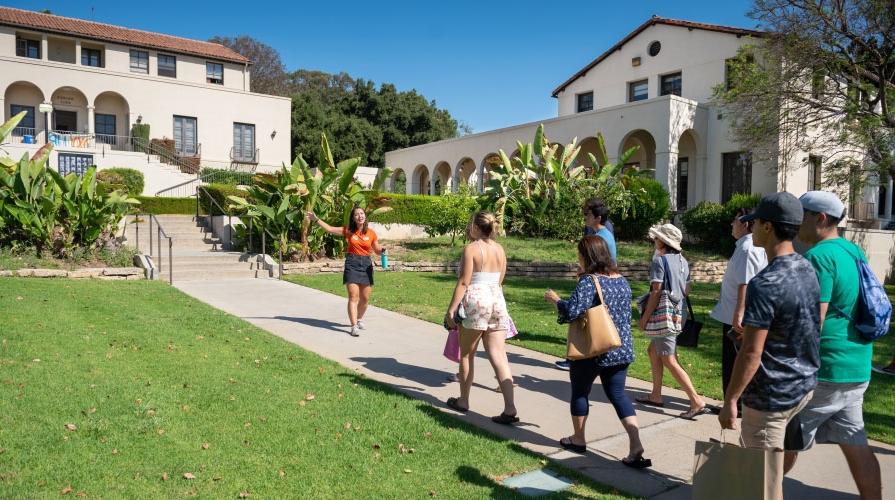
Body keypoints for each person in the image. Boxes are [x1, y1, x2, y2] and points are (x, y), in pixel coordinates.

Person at [783, 191, 881, 500]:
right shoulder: (853, 251)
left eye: (803, 214)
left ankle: (756, 491)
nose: (798, 222)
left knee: (781, 438)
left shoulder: (819, 256)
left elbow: (815, 319)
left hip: (826, 369)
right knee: (855, 441)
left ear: (821, 219)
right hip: (856, 365)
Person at [719, 192, 820, 456]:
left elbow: (752, 353)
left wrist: (730, 400)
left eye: (755, 222)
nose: (750, 227)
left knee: (760, 484)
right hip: (802, 387)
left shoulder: (765, 283)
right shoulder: (807, 268)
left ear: (768, 226)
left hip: (770, 398)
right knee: (774, 473)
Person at [544, 236, 651, 468]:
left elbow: (572, 311)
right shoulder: (622, 280)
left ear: (587, 256)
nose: (577, 258)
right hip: (620, 349)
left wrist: (556, 300)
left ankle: (578, 438)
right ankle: (635, 444)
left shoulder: (589, 282)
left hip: (594, 350)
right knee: (619, 395)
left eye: (579, 254)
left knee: (580, 392)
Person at [444, 211, 518, 424]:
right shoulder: (500, 249)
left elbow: (464, 282)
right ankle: (510, 407)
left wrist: (452, 309)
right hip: (497, 299)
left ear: (476, 228)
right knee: (499, 355)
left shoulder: (471, 249)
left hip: (477, 300)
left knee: (467, 354)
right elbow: (501, 278)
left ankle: (464, 400)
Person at [636, 224, 708, 419]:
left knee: (668, 358)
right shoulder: (684, 261)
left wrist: (644, 318)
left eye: (657, 238)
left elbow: (656, 291)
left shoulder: (660, 261)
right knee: (653, 351)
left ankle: (696, 400)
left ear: (663, 241)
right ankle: (656, 395)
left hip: (665, 315)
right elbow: (687, 290)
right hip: (679, 313)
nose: (654, 241)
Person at [708, 208, 767, 414]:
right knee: (734, 361)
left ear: (744, 224)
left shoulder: (747, 249)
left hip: (736, 317)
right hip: (735, 314)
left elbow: (745, 283)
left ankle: (736, 404)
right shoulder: (746, 247)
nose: (731, 225)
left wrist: (738, 315)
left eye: (734, 221)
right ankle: (735, 402)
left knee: (734, 362)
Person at [556, 197, 616, 371]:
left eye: (588, 214)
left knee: (581, 317)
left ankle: (576, 357)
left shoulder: (601, 237)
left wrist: (586, 273)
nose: (585, 217)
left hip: (596, 281)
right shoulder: (603, 235)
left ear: (598, 217)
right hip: (598, 279)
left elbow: (603, 262)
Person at [307, 206, 385, 337]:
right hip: (352, 263)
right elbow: (330, 229)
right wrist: (316, 220)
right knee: (353, 296)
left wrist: (383, 249)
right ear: (353, 218)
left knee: (365, 299)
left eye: (362, 213)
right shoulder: (348, 230)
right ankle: (354, 326)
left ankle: (359, 319)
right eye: (356, 214)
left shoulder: (371, 233)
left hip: (366, 265)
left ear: (365, 216)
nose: (360, 216)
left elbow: (377, 249)